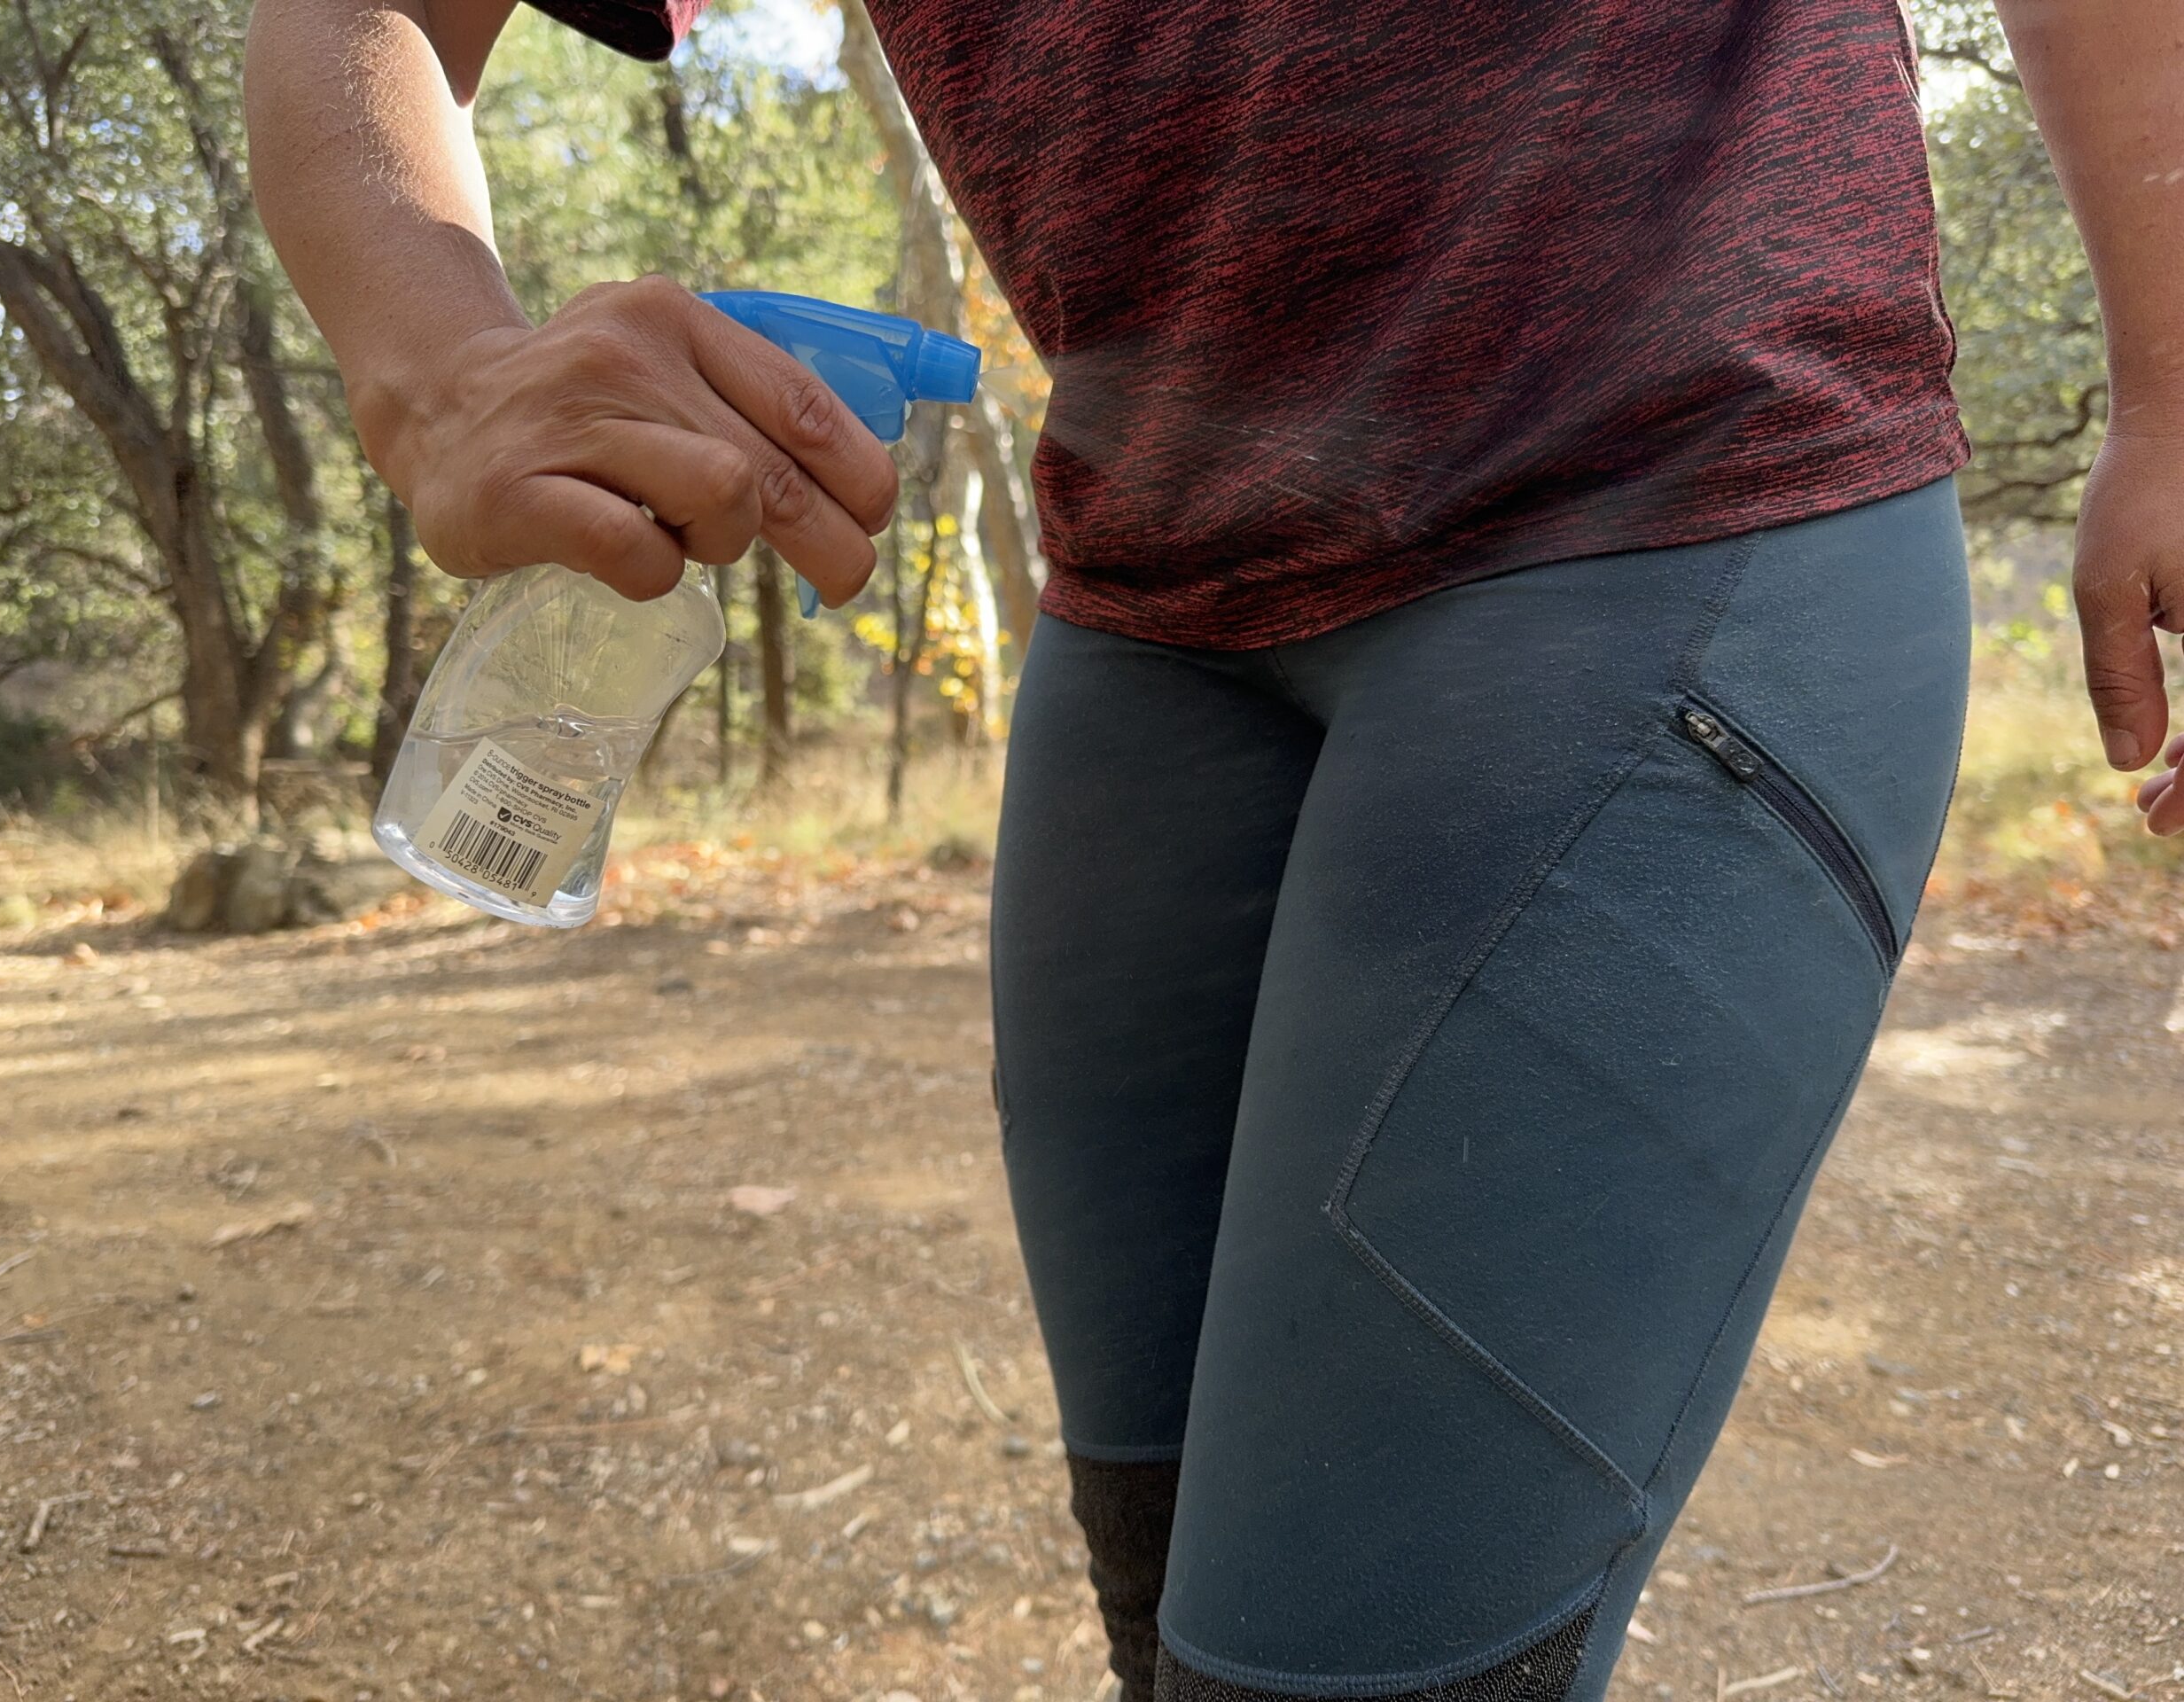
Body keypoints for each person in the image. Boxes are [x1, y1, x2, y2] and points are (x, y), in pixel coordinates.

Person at [243, 4, 2184, 1698]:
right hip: (1151, 606)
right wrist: (436, 362)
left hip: (1667, 494)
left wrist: (2175, 380)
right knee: (1172, 1608)